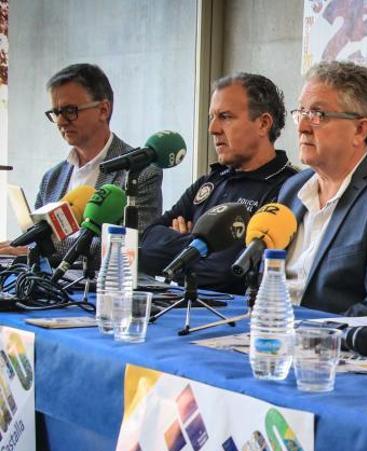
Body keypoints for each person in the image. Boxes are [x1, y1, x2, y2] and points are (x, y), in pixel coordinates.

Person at [277, 61, 367, 317]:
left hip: (332, 347)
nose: (302, 126)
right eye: (301, 112)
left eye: (318, 114)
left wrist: (306, 334)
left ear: (360, 130)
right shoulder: (292, 188)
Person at [139, 73, 296, 294]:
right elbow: (146, 246)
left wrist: (183, 243)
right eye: (212, 117)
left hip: (232, 321)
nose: (213, 129)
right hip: (183, 309)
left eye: (225, 117)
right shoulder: (211, 180)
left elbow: (226, 273)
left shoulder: (287, 186)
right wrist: (198, 244)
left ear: (263, 123)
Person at [0, 63, 163, 262]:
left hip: (103, 289)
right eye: (56, 112)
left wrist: (47, 245)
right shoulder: (52, 178)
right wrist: (19, 247)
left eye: (70, 111)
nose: (60, 121)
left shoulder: (141, 172)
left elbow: (133, 246)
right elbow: (35, 239)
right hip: (48, 287)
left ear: (103, 110)